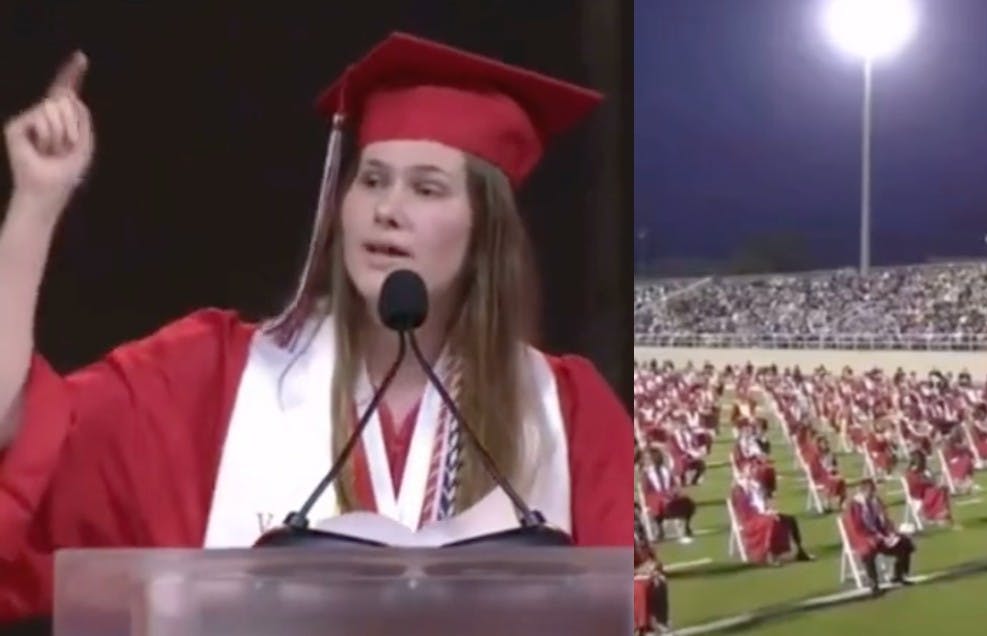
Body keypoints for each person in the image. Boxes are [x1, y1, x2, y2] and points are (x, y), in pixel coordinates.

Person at [0, 33, 631, 622]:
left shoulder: (567, 413)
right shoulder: (210, 379)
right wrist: (34, 205)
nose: (387, 209)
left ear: (485, 234)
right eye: (373, 179)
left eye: (428, 189)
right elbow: (19, 440)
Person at [843, 478, 915, 592]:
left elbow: (883, 520)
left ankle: (898, 575)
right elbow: (855, 527)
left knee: (904, 542)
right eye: (871, 490)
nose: (873, 493)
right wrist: (873, 536)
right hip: (862, 536)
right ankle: (874, 583)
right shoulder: (855, 505)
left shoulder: (875, 501)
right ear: (864, 491)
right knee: (868, 549)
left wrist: (890, 533)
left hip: (879, 534)